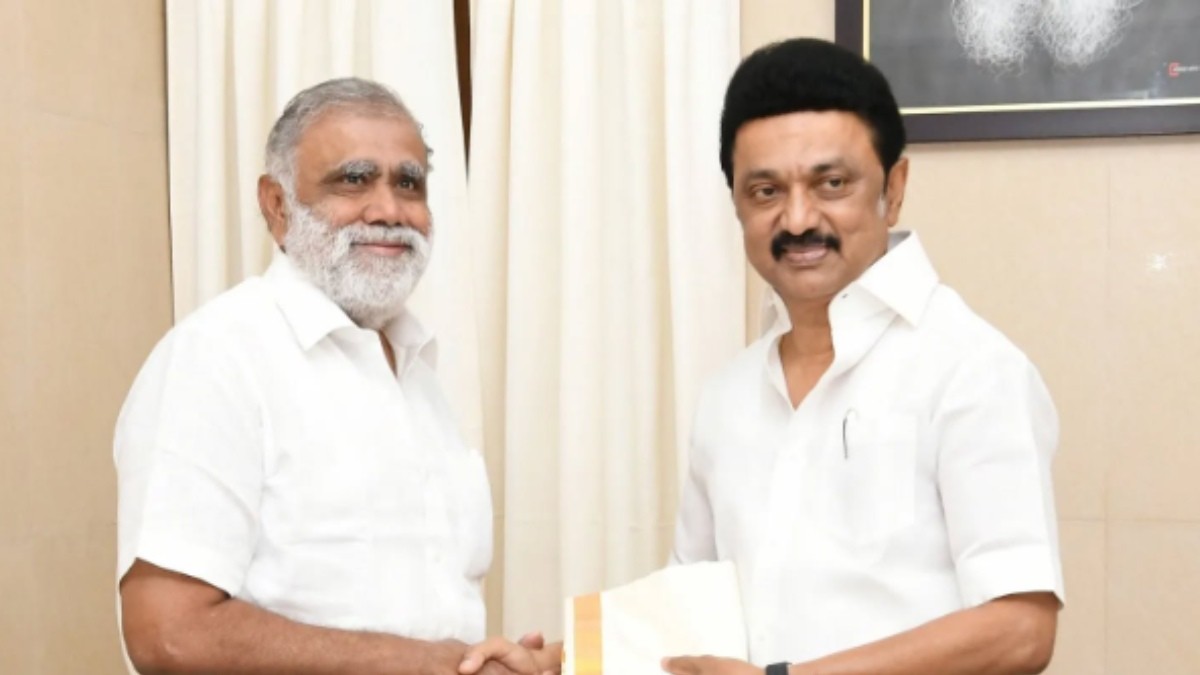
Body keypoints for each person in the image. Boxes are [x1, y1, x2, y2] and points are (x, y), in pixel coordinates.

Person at [114, 78, 555, 675]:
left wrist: (495, 663)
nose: (389, 211)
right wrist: (429, 665)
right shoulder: (218, 356)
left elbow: (420, 612)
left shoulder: (416, 371)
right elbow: (168, 633)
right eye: (353, 180)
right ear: (276, 205)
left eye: (409, 183)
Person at [662, 38, 1063, 675]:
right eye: (765, 191)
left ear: (892, 189)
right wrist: (565, 662)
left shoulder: (971, 368)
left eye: (832, 184)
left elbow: (1021, 628)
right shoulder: (727, 394)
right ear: (735, 203)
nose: (798, 219)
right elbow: (689, 615)